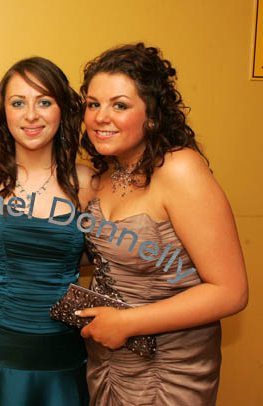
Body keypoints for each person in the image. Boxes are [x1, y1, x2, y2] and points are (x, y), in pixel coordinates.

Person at [75, 43, 248, 405]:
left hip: (169, 367)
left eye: (119, 105)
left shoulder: (180, 170)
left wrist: (126, 324)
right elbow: (114, 256)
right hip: (107, 360)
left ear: (151, 115)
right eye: (93, 104)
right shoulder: (103, 178)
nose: (100, 117)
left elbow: (230, 291)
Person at [0, 57, 96, 406]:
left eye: (44, 101)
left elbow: (102, 258)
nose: (31, 115)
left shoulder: (88, 182)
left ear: (63, 110)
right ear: (4, 113)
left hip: (61, 352)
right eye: (18, 103)